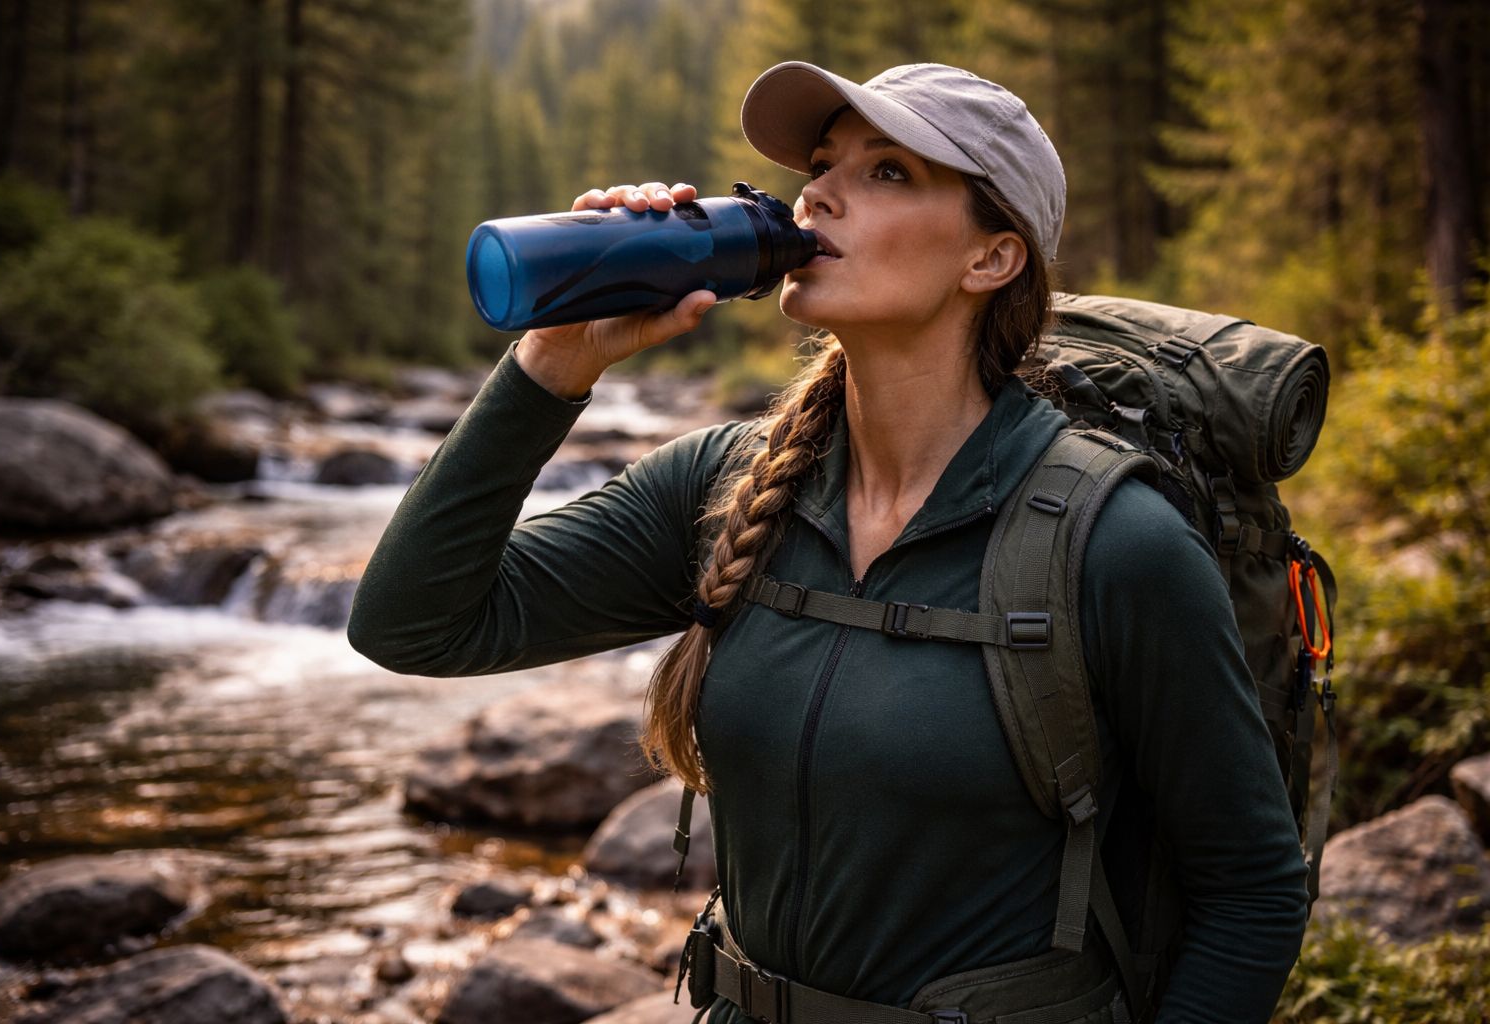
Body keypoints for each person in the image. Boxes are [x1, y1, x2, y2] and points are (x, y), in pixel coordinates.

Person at [347, 61, 1311, 1023]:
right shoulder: (723, 486)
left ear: (992, 259)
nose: (818, 193)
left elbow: (1252, 895)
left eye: (887, 170)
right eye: (822, 163)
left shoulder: (1114, 542)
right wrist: (552, 363)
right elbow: (414, 623)